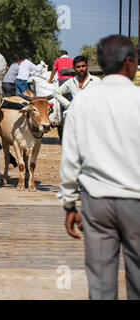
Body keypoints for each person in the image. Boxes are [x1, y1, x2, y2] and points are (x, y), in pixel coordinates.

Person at [58, 34, 140, 300]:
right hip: (137, 202)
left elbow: (70, 157)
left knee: (102, 285)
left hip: (97, 204)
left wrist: (70, 203)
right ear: (129, 62)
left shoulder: (83, 101)